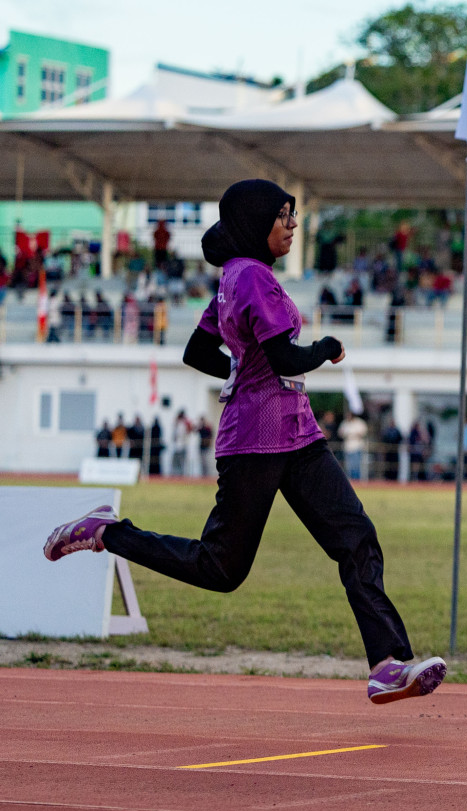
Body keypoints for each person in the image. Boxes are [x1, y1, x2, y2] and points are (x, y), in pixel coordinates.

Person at [42, 179, 445, 706]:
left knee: (356, 538)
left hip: (297, 435)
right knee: (221, 568)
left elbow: (197, 351)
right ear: (257, 223)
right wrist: (324, 346)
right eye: (284, 216)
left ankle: (388, 663)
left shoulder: (236, 277)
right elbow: (284, 359)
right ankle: (108, 533)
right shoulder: (251, 276)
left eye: (294, 214)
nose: (293, 226)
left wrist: (237, 372)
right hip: (255, 441)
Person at [340, 411, 369, 481]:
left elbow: (363, 433)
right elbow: (340, 433)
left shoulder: (359, 423)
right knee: (349, 466)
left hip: (357, 447)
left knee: (356, 466)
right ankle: (351, 481)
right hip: (348, 448)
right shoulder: (345, 423)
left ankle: (357, 481)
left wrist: (352, 435)